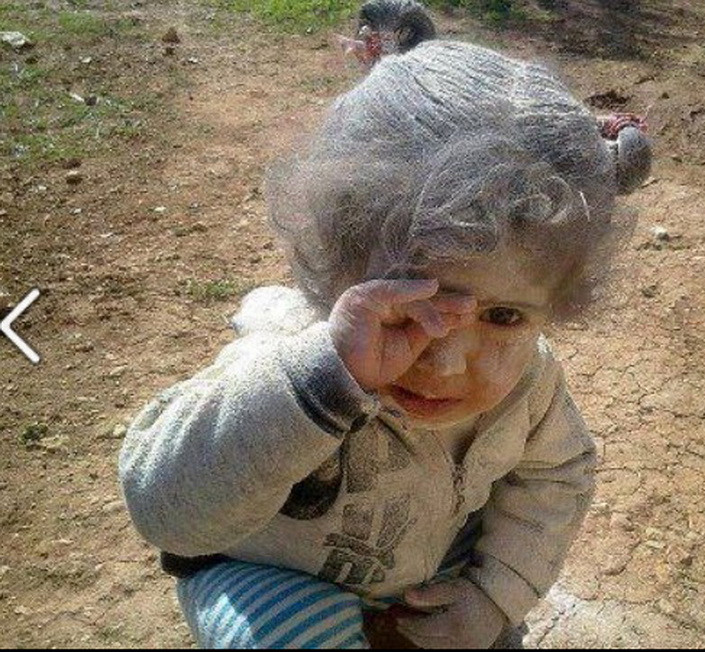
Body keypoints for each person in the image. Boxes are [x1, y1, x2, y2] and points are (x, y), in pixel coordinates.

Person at [118, 30, 652, 650]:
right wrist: (320, 382)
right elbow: (166, 516)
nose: (446, 364)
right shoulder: (288, 362)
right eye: (407, 310)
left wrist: (494, 597)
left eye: (504, 317)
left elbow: (557, 474)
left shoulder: (531, 382)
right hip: (268, 575)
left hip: (428, 570)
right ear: (337, 269)